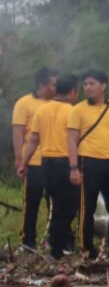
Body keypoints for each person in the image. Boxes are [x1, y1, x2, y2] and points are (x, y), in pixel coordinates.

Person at [67, 69, 109, 261]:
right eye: (85, 84)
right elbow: (71, 140)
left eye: (92, 83)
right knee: (87, 208)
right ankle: (87, 248)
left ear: (103, 86)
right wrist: (74, 167)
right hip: (87, 162)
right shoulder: (78, 109)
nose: (88, 87)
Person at [18, 73, 79, 259]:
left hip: (46, 164)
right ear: (72, 91)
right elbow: (75, 141)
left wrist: (23, 163)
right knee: (67, 206)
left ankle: (57, 246)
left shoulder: (42, 110)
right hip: (65, 163)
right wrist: (75, 167)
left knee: (56, 204)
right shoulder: (73, 112)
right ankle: (57, 247)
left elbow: (33, 140)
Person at [11, 67, 57, 251]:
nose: (56, 87)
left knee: (56, 203)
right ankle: (28, 241)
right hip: (33, 161)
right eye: (53, 84)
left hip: (55, 160)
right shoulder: (24, 103)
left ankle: (56, 240)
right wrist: (19, 159)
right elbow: (18, 133)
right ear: (42, 85)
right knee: (31, 203)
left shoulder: (58, 103)